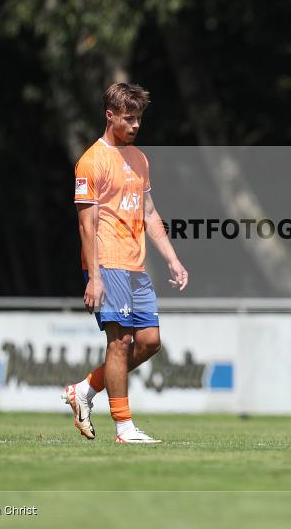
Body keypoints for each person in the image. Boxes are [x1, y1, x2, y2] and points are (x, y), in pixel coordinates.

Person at [63, 82, 188, 444]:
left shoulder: (139, 159)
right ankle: (123, 427)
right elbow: (86, 224)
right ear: (110, 115)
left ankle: (85, 389)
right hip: (108, 262)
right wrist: (94, 277)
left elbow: (149, 213)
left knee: (150, 341)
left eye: (138, 119)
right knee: (119, 342)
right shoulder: (91, 161)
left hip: (136, 265)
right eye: (128, 118)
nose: (135, 125)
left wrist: (172, 259)